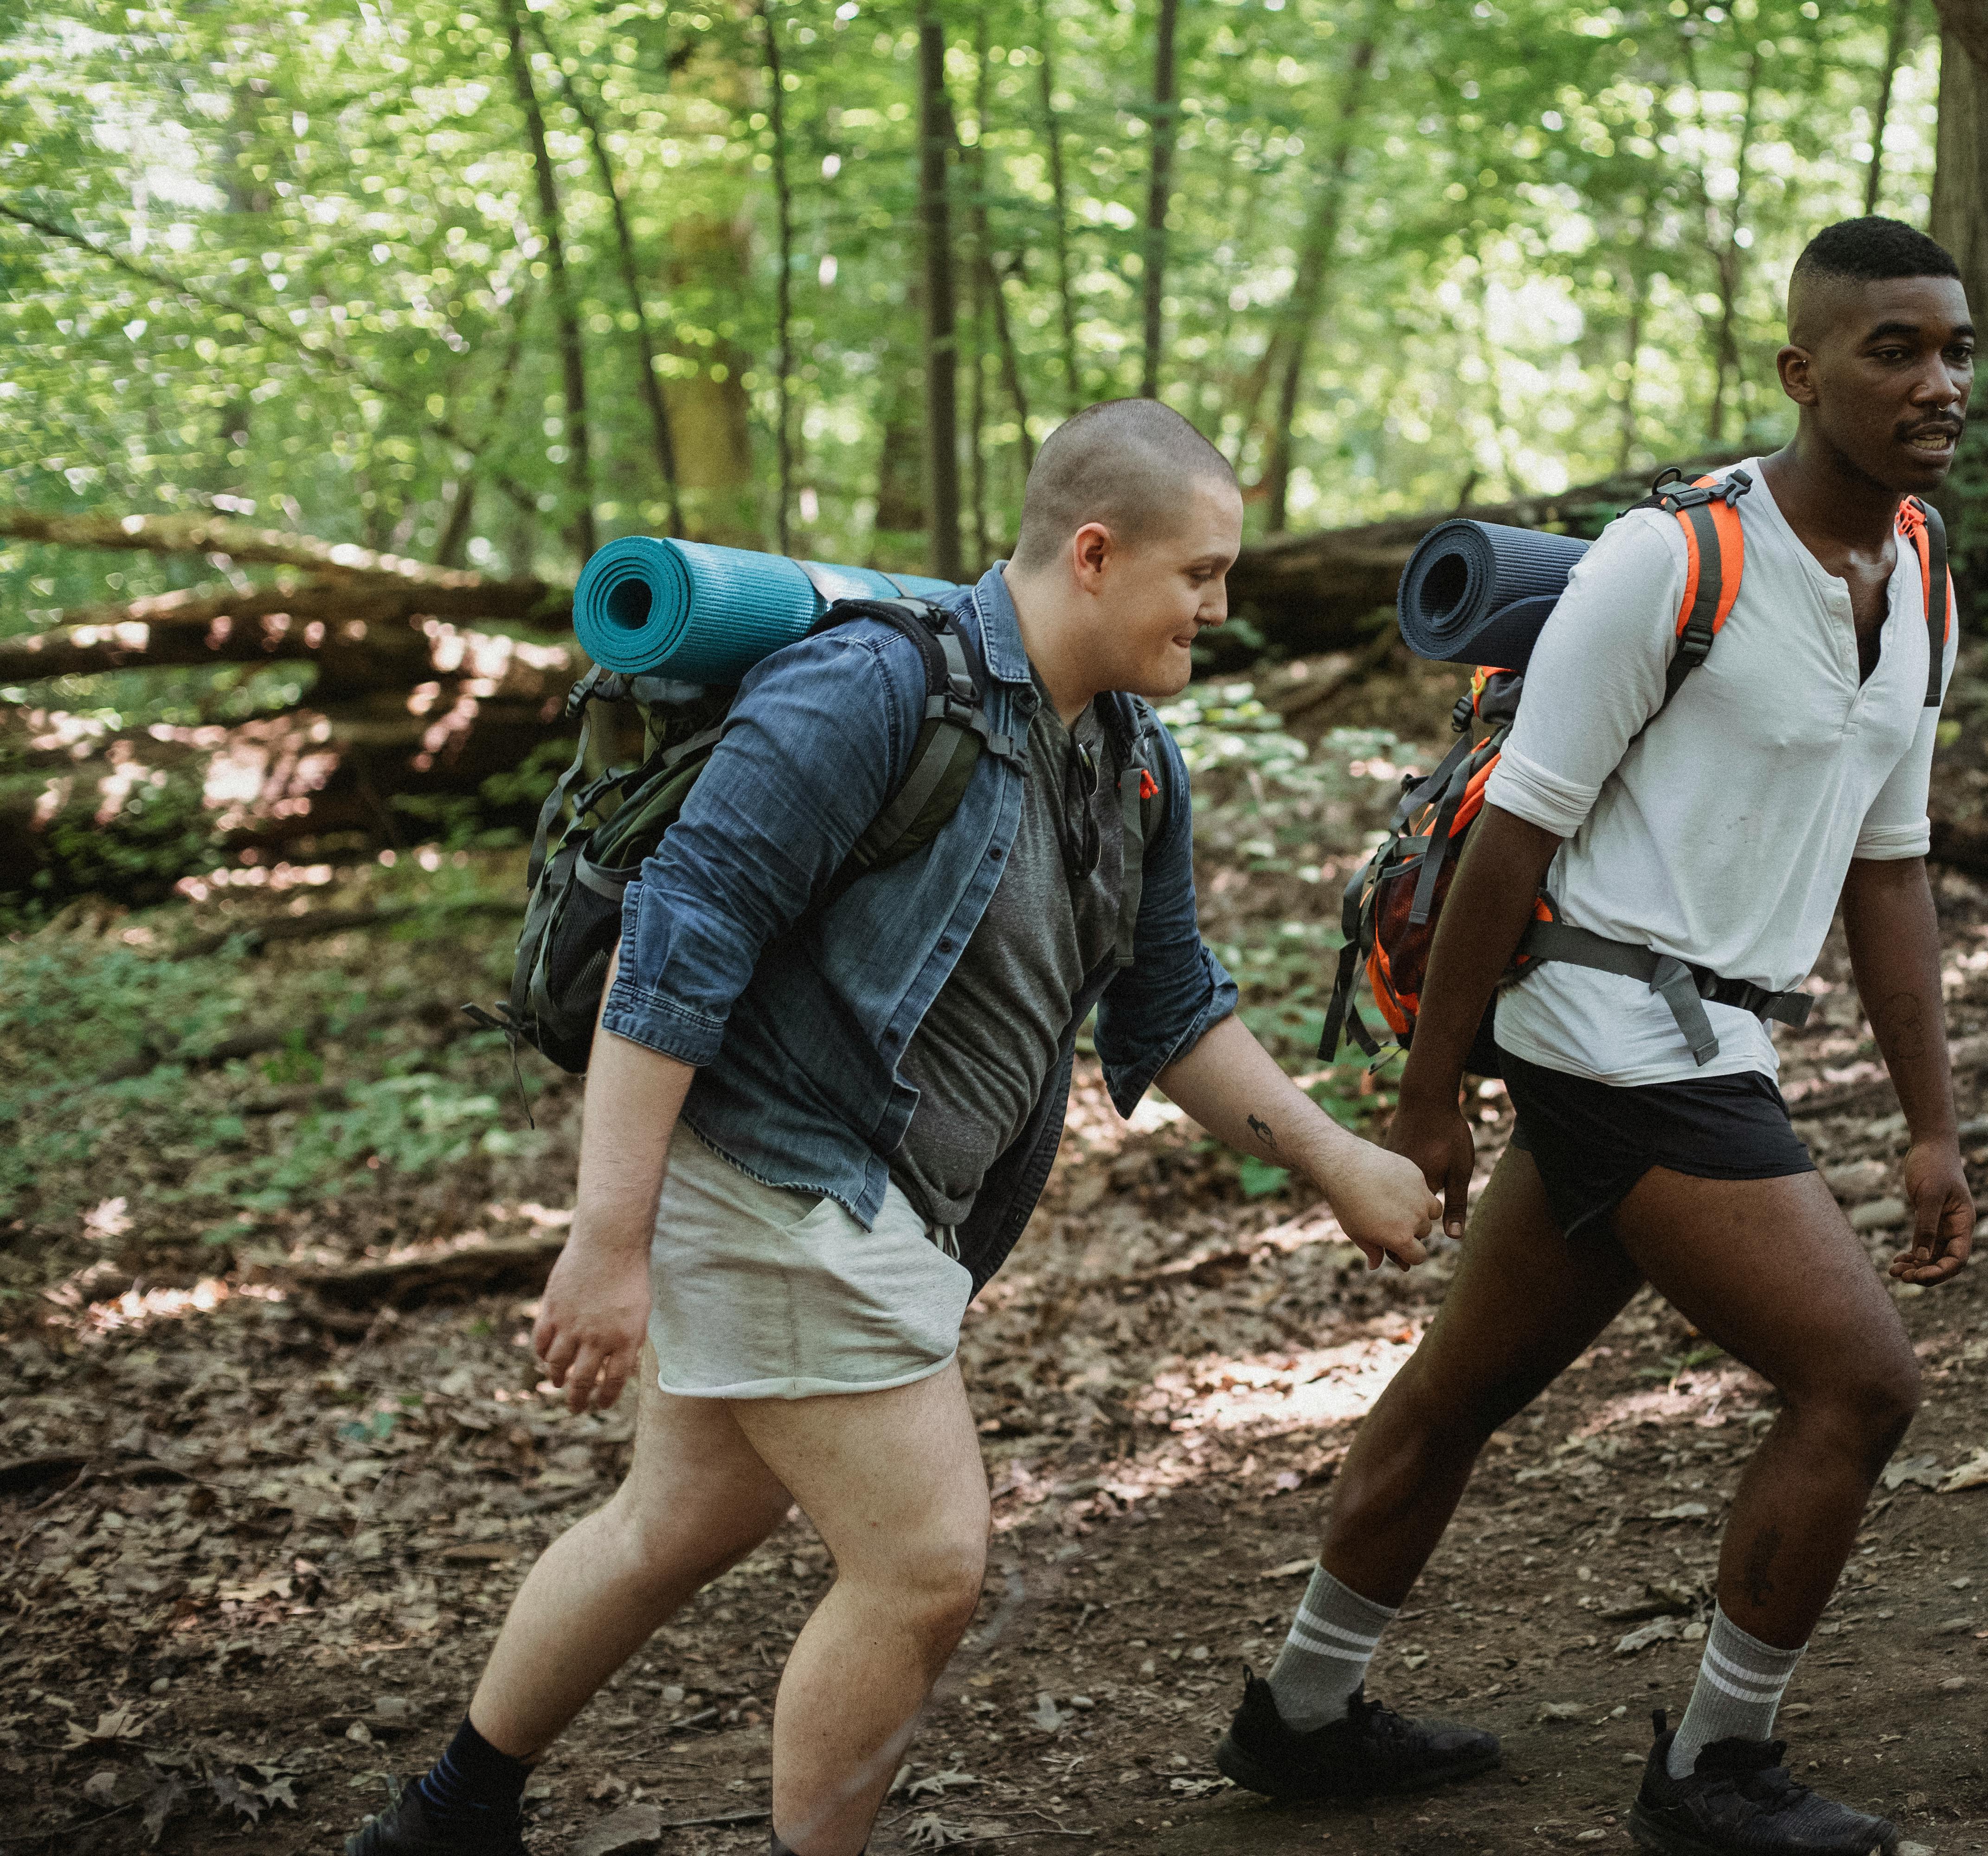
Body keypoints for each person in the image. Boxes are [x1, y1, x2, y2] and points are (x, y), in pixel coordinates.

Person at [348, 400, 1441, 1856]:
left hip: (876, 1210)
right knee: (924, 1565)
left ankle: (444, 1818)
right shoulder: (874, 689)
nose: (1223, 608)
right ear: (1098, 555)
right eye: (1203, 575)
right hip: (786, 1176)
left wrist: (1336, 1158)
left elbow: (1168, 1007)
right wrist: (605, 1239)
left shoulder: (1128, 763)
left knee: (674, 1524)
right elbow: (682, 932)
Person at [1211, 217, 1980, 1856]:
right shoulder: (1673, 559)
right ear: (1803, 372)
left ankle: (1297, 1717)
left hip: (1711, 1044)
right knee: (1858, 1381)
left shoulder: (1917, 577)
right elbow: (1514, 836)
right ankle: (1712, 1769)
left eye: (1955, 349)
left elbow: (1891, 863)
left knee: (1461, 1390)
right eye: (1893, 349)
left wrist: (1933, 1121)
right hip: (1615, 1036)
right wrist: (1428, 1101)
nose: (1938, 382)